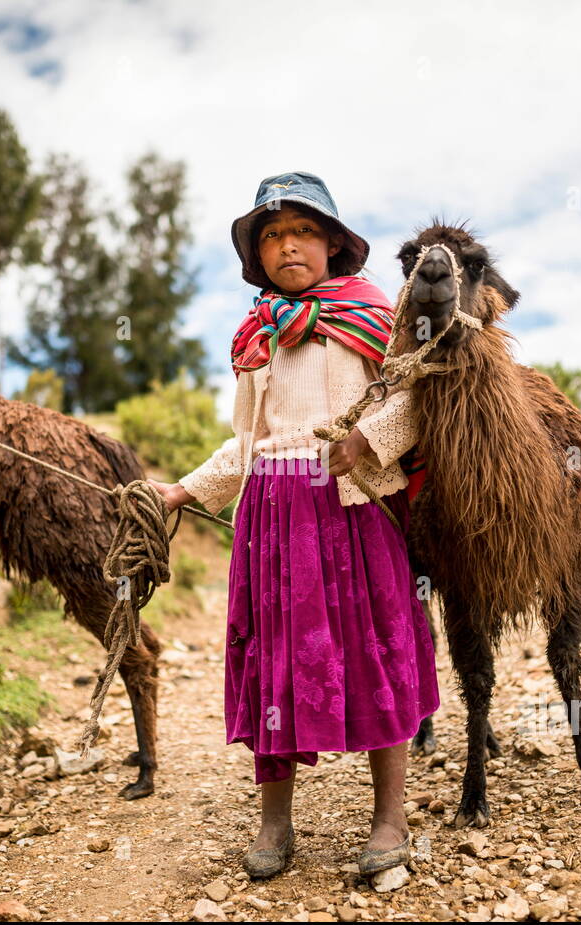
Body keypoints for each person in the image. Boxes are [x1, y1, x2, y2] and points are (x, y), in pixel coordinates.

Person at [147, 171, 439, 880]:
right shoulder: (257, 336)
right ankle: (275, 824)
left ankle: (389, 820)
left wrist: (368, 442)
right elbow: (247, 443)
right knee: (273, 664)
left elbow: (415, 401)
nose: (287, 246)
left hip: (353, 505)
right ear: (259, 255)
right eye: (272, 235)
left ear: (333, 243)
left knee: (376, 652)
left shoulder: (374, 318)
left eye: (302, 231)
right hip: (271, 518)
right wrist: (183, 490)